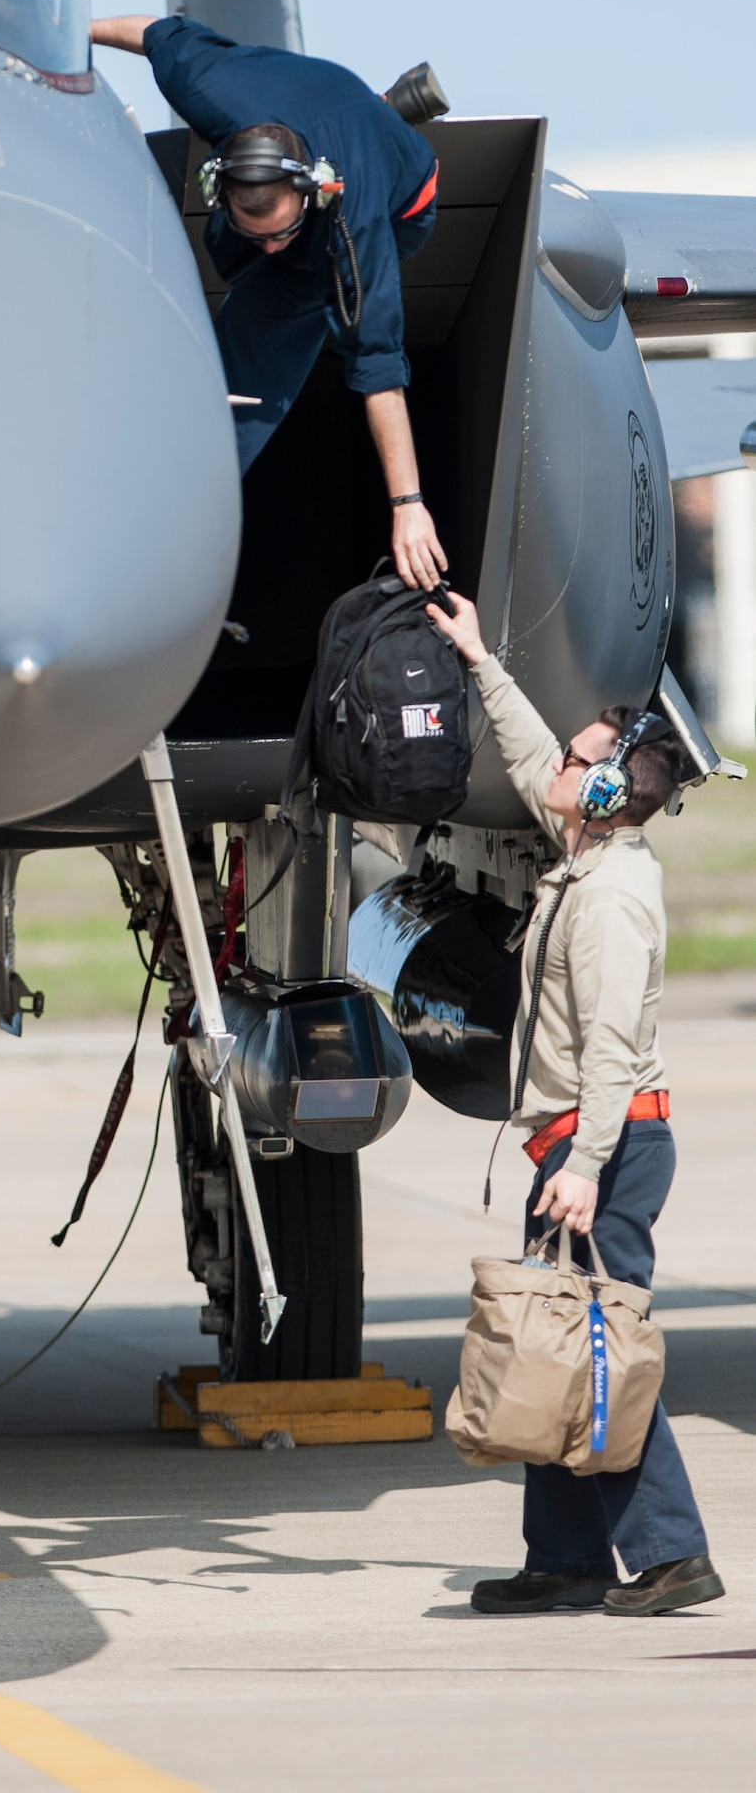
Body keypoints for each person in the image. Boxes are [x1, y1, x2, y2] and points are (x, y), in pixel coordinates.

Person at [427, 590, 724, 1618]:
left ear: (600, 788)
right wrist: (473, 655)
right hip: (576, 1146)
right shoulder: (585, 851)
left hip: (604, 1148)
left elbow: (608, 1050)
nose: (556, 752)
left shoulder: (605, 899)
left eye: (578, 747)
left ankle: (671, 1551)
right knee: (557, 1341)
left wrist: (585, 1167)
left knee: (600, 1350)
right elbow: (524, 756)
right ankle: (561, 1556)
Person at [91, 13, 445, 588]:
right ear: (219, 184)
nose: (273, 245)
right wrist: (59, 31)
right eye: (261, 231)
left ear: (312, 190)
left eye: (282, 230)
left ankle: (172, 526)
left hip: (402, 199)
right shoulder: (207, 87)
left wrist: (408, 505)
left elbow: (379, 368)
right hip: (319, 122)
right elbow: (157, 31)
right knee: (235, 253)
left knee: (259, 325)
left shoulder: (355, 231)